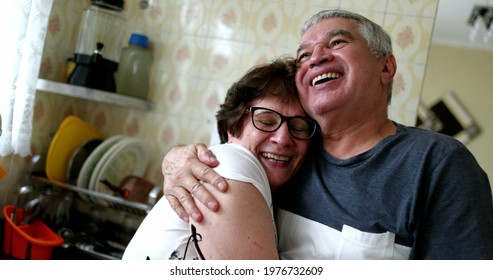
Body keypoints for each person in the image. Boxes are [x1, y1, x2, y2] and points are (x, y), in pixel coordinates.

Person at [161, 9, 493, 259]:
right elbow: (226, 154)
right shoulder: (289, 151)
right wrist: (175, 160)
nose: (316, 57)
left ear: (386, 67)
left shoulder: (437, 164)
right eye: (304, 55)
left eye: (336, 42)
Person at [122, 57, 316, 259]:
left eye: (299, 127)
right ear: (232, 128)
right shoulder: (233, 163)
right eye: (266, 121)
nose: (283, 139)